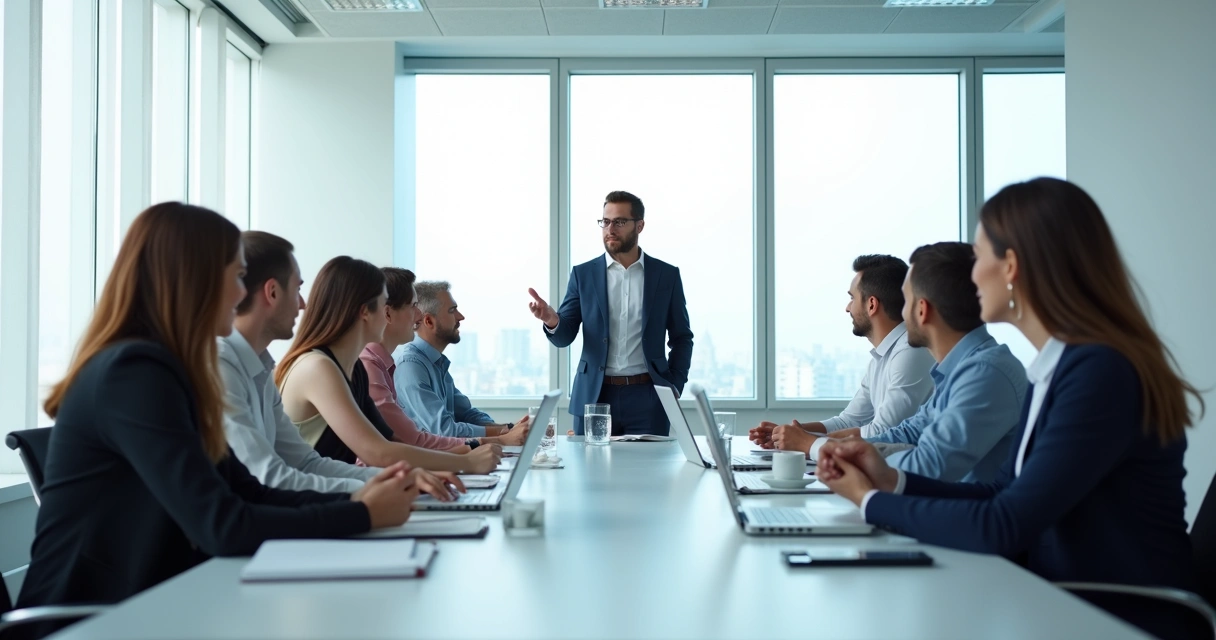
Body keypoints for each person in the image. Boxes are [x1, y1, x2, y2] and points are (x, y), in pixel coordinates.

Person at [816, 178, 1203, 640]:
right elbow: (1002, 492)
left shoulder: (1100, 373)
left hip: (1114, 618)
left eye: (980, 257)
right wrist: (890, 479)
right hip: (1057, 599)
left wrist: (870, 501)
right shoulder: (1059, 366)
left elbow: (1004, 524)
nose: (971, 274)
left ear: (1012, 266)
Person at [15, 204, 417, 636]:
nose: (242, 293)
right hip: (91, 621)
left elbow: (246, 489)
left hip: (152, 602)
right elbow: (221, 525)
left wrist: (362, 499)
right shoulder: (133, 373)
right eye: (238, 275)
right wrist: (361, 513)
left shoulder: (169, 369)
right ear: (198, 278)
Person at [219, 232, 461, 495]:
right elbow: (270, 476)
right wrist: (368, 497)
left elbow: (305, 463)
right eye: (298, 289)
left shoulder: (264, 367)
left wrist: (399, 480)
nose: (302, 304)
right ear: (273, 292)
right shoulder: (312, 366)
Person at [768, 242, 1027, 483]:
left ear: (922, 310)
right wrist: (826, 447)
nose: (901, 313)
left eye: (907, 302)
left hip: (966, 518)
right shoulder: (954, 371)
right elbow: (903, 436)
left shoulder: (985, 372)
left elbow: (929, 464)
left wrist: (818, 447)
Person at [276, 257, 503, 474]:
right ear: (368, 311)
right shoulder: (319, 367)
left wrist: (465, 456)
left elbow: (392, 443)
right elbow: (377, 453)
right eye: (410, 305)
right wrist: (466, 460)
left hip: (335, 491)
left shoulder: (353, 369)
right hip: (313, 500)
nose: (418, 315)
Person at [526, 190, 693, 436]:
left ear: (640, 226)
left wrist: (675, 384)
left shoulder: (665, 276)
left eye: (619, 222)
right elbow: (564, 338)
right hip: (594, 395)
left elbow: (681, 337)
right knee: (591, 473)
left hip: (649, 397)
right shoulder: (583, 275)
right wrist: (552, 320)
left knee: (649, 474)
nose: (610, 228)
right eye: (605, 221)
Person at [750, 255, 935, 443]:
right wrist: (791, 432)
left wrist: (806, 442)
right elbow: (849, 421)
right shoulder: (881, 358)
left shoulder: (911, 351)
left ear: (871, 304)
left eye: (852, 298)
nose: (847, 308)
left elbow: (883, 432)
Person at [362, 268, 524, 450]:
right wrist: (501, 438)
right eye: (413, 306)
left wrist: (508, 429)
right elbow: (435, 433)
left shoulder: (430, 362)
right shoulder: (403, 365)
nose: (418, 316)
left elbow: (465, 414)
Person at [395, 281, 531, 441]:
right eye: (452, 310)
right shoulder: (411, 366)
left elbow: (467, 414)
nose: (461, 317)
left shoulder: (436, 363)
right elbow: (444, 430)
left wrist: (510, 429)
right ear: (429, 321)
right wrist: (505, 435)